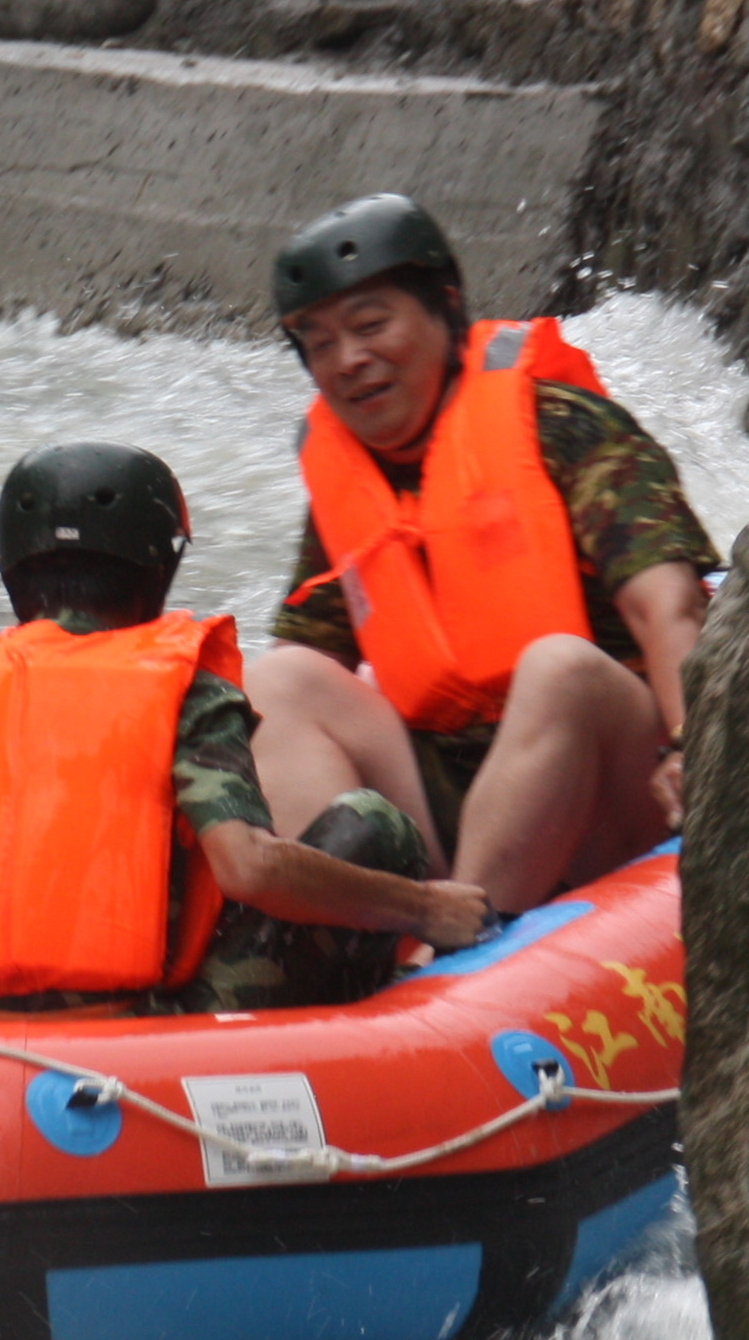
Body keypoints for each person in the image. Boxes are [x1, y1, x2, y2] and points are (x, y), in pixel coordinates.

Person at [0, 442, 487, 1010]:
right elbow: (247, 866)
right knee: (372, 824)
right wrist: (422, 907)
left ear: (9, 569)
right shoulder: (186, 691)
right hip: (148, 1027)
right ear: (158, 568)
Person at [246, 193, 716, 917]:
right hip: (453, 803)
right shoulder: (347, 480)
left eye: (371, 326)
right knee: (278, 682)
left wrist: (694, 750)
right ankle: (343, 938)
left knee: (558, 668)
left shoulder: (561, 425)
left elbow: (667, 605)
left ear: (445, 306)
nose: (348, 361)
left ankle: (454, 965)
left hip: (618, 794)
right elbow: (307, 662)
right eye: (318, 344)